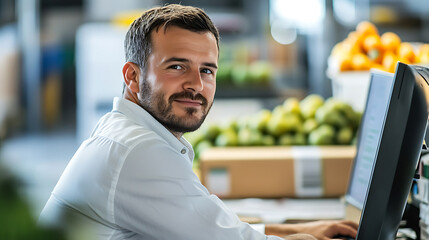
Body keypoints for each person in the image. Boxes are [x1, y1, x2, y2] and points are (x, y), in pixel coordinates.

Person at [39, 4, 358, 240]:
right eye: (177, 66)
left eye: (207, 70)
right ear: (133, 77)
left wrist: (299, 230)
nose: (196, 84)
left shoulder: (127, 133)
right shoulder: (137, 150)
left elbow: (206, 224)